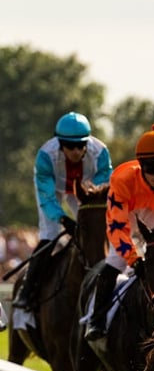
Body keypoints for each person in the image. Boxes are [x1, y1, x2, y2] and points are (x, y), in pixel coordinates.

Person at [85, 124, 154, 342]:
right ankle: (96, 320)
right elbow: (117, 228)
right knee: (115, 262)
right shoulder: (122, 181)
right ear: (140, 165)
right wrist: (134, 260)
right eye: (150, 168)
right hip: (129, 213)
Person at [13, 112, 113, 312]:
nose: (76, 151)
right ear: (59, 143)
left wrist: (86, 213)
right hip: (54, 190)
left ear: (88, 142)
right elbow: (48, 199)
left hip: (85, 189)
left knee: (98, 228)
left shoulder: (100, 152)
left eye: (81, 145)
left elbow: (103, 188)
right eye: (69, 146)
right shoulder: (45, 156)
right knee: (50, 235)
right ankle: (27, 290)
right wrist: (63, 219)